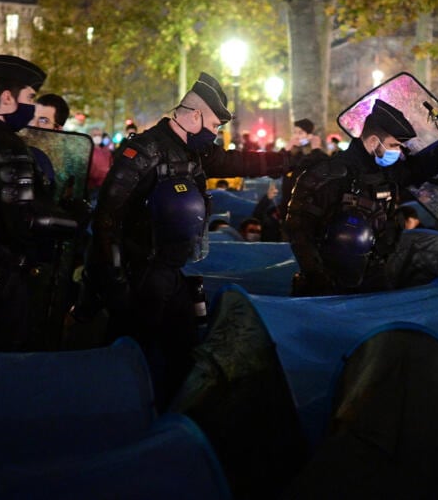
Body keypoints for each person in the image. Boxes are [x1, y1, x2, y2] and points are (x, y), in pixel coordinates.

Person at [84, 72, 290, 407]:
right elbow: (107, 219)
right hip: (139, 275)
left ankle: (169, 420)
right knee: (129, 356)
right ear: (193, 115)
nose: (215, 135)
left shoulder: (195, 152)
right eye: (213, 125)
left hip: (172, 272)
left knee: (182, 354)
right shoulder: (143, 151)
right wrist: (115, 282)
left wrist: (288, 162)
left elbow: (238, 161)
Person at [0, 54, 79, 351]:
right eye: (30, 98)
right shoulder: (8, 146)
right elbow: (23, 221)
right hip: (2, 280)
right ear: (8, 98)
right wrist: (70, 221)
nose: (32, 107)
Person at [285, 99, 438, 296]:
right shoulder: (329, 174)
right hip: (329, 284)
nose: (397, 152)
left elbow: (416, 170)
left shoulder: (384, 172)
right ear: (373, 141)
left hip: (375, 278)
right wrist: (317, 278)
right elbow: (298, 227)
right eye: (393, 145)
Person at [279, 118, 328, 225]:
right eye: (295, 132)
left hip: (304, 210)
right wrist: (287, 148)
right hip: (286, 207)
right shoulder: (291, 154)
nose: (296, 136)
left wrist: (316, 149)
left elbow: (323, 167)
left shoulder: (315, 155)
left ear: (310, 136)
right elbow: (275, 171)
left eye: (300, 133)